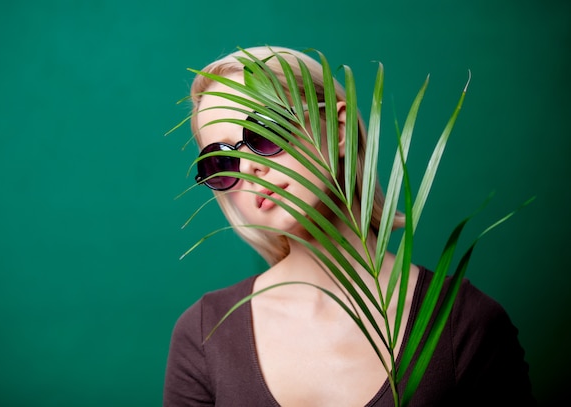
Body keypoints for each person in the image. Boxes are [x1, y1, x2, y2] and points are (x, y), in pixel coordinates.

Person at [163, 46, 535, 406]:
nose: (248, 167)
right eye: (221, 164)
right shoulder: (205, 335)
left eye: (264, 132)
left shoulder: (465, 323)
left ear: (338, 129)